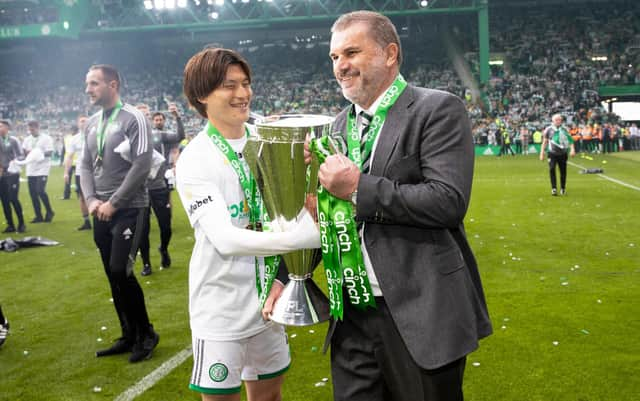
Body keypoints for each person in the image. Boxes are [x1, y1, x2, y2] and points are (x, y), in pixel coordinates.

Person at [302, 11, 492, 401]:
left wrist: (357, 188)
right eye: (334, 57)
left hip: (420, 312)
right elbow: (336, 220)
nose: (340, 66)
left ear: (390, 54)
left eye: (351, 52)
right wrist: (293, 268)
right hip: (351, 315)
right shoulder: (336, 127)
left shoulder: (436, 108)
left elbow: (447, 201)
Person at [176, 47, 320, 401]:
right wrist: (305, 237)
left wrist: (283, 278)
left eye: (246, 83)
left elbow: (297, 207)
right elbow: (226, 239)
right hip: (221, 309)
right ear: (201, 95)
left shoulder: (271, 139)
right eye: (229, 85)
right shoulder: (194, 159)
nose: (242, 94)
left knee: (270, 396)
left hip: (270, 303)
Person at [78, 64, 159, 363]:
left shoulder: (133, 118)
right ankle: (128, 335)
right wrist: (91, 199)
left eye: (94, 83)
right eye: (87, 83)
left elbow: (142, 164)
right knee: (111, 275)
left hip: (129, 208)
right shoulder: (91, 123)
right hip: (101, 210)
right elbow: (85, 165)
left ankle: (146, 333)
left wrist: (114, 201)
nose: (88, 89)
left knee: (119, 269)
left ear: (113, 84)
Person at [135, 104, 185, 276]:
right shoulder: (129, 136)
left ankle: (163, 248)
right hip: (139, 190)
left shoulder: (158, 135)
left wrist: (177, 117)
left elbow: (180, 136)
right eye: (141, 114)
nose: (144, 117)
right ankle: (146, 263)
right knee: (143, 228)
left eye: (146, 114)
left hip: (158, 187)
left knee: (166, 226)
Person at [21, 120, 55, 223]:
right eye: (29, 129)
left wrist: (37, 154)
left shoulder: (46, 138)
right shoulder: (27, 140)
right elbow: (23, 152)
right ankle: (38, 216)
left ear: (37, 127)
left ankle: (49, 211)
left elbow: (50, 152)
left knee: (40, 190)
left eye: (33, 129)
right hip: (31, 168)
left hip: (42, 168)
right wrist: (26, 154)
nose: (31, 131)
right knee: (33, 193)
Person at [64, 115, 92, 230]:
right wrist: (66, 172)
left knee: (99, 196)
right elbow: (69, 157)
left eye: (85, 121)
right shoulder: (74, 139)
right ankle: (86, 222)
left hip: (95, 171)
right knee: (81, 197)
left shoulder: (95, 135)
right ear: (78, 123)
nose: (83, 123)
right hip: (80, 172)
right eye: (81, 121)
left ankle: (102, 220)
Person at [0, 119, 26, 233]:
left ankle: (21, 223)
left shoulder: (13, 140)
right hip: (1, 174)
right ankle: (10, 224)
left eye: (1, 126)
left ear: (7, 128)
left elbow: (21, 155)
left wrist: (15, 161)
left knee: (13, 198)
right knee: (4, 200)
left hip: (12, 173)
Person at [540, 113, 575, 196]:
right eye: (556, 120)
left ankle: (563, 188)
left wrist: (572, 149)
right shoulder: (548, 129)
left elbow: (570, 140)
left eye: (559, 119)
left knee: (563, 171)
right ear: (553, 121)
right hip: (552, 153)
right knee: (552, 169)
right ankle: (554, 188)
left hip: (563, 153)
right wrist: (542, 153)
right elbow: (545, 142)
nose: (558, 121)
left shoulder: (564, 129)